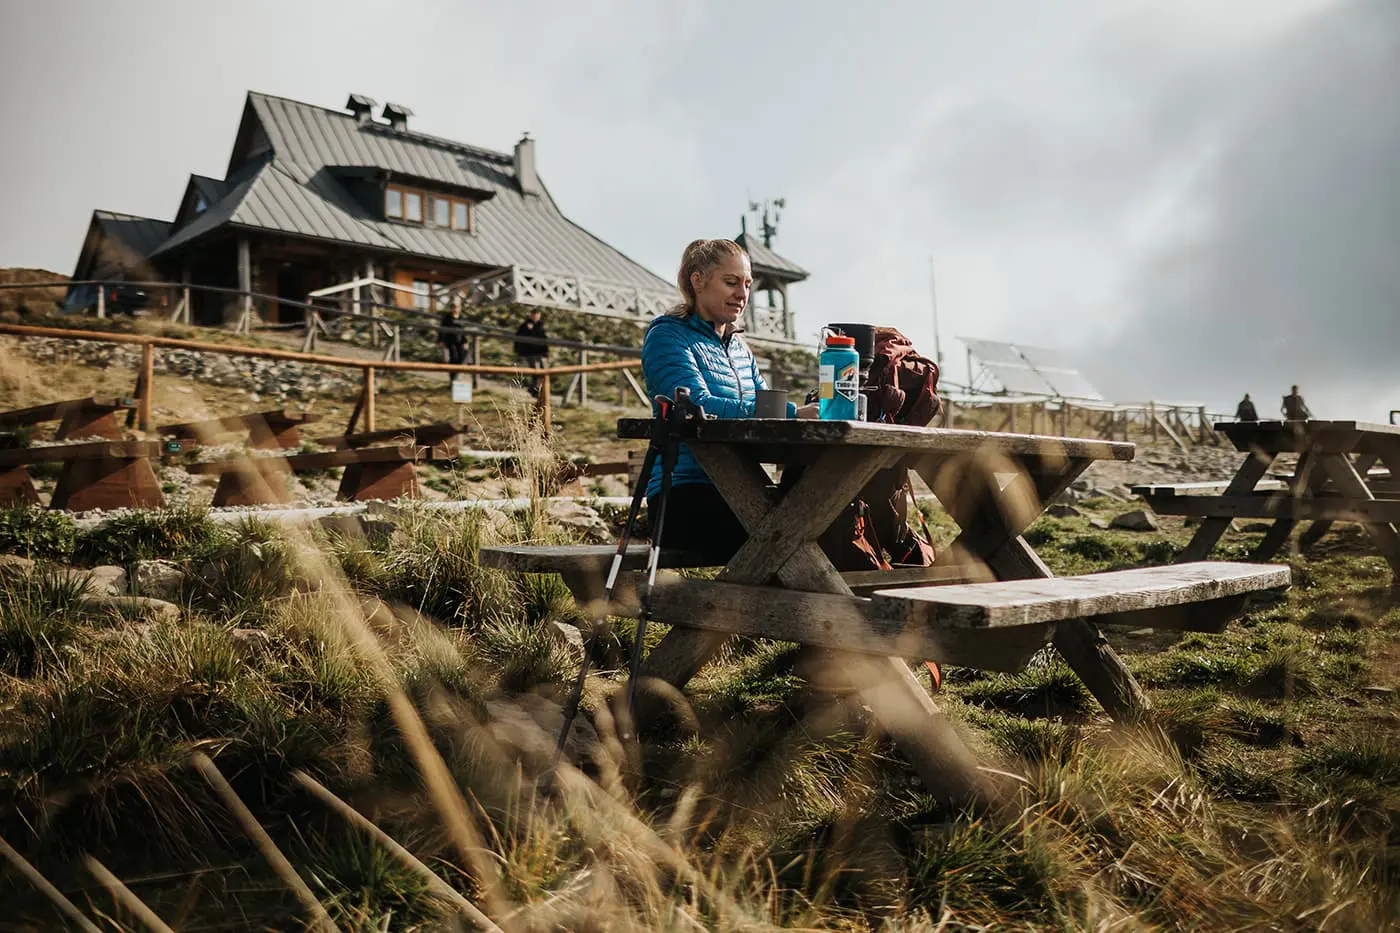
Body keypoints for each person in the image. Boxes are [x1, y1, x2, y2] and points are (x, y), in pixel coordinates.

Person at [641, 239, 813, 562]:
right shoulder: (667, 336)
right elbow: (697, 405)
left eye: (747, 284)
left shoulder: (738, 348)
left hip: (743, 491)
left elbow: (763, 407)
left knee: (816, 523)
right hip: (684, 496)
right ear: (698, 280)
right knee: (792, 537)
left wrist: (803, 414)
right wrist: (793, 413)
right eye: (731, 282)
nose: (742, 294)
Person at [513, 308, 549, 397]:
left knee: (543, 372)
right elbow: (519, 337)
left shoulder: (541, 325)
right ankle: (535, 390)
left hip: (540, 352)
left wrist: (546, 352)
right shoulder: (525, 325)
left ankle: (538, 389)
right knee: (536, 372)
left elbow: (543, 338)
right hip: (531, 352)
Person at [438, 297, 467, 383]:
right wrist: (440, 340)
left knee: (462, 357)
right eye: (453, 307)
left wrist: (465, 341)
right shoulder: (447, 317)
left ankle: (456, 375)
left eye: (457, 307)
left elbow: (463, 331)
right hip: (450, 341)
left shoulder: (461, 318)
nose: (455, 309)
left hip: (460, 341)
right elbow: (441, 329)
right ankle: (452, 377)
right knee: (454, 357)